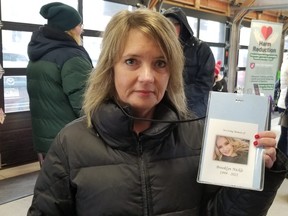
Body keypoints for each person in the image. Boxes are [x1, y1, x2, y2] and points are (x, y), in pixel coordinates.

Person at [27, 9, 288, 216]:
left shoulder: (198, 137)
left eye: (160, 63)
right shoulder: (71, 143)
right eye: (132, 61)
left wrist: (258, 173)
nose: (147, 77)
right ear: (110, 67)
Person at [26, 2, 93, 165]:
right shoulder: (72, 57)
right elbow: (86, 105)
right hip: (71, 142)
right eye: (79, 25)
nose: (82, 29)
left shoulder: (38, 54)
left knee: (53, 185)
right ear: (69, 28)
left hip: (46, 141)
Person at [162, 7, 215, 118]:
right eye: (166, 25)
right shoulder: (162, 49)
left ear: (182, 26)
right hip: (167, 110)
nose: (170, 28)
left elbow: (204, 84)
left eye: (174, 24)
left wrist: (175, 94)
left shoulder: (202, 49)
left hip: (194, 111)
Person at [277, 52, 288, 158]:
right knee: (285, 136)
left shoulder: (285, 58)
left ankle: (280, 161)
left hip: (283, 103)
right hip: (286, 105)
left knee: (284, 135)